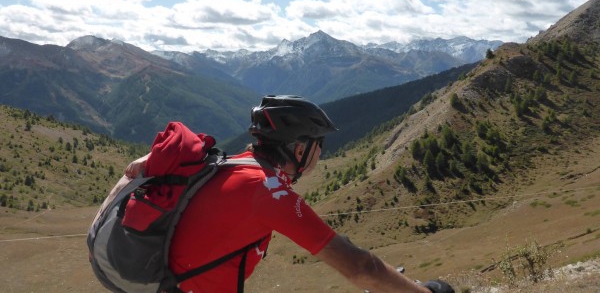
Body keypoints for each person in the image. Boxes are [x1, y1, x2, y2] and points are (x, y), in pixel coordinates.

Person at [125, 95, 454, 293]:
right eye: (318, 146)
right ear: (299, 148)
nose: (320, 154)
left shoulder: (233, 163)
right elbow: (359, 267)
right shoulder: (268, 190)